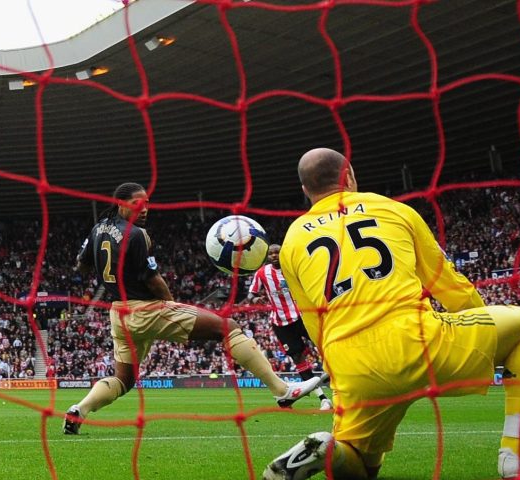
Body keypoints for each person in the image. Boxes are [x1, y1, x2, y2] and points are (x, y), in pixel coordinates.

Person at [263, 148, 520, 480]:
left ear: (305, 190)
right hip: (418, 340)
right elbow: (448, 285)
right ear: (349, 176)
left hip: (352, 364)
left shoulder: (291, 242)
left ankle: (331, 450)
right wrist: (485, 335)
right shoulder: (394, 210)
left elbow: (314, 323)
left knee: (361, 464)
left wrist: (340, 373)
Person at [64, 182, 328, 435]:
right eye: (137, 204)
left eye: (147, 204)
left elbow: (82, 265)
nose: (144, 209)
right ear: (122, 204)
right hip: (146, 309)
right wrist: (170, 304)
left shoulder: (98, 229)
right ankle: (281, 391)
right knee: (228, 327)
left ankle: (80, 409)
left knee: (123, 380)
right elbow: (152, 278)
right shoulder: (137, 234)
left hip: (118, 314)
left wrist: (109, 275)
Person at [247, 243, 332, 411]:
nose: (273, 256)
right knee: (298, 358)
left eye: (276, 253)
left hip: (302, 316)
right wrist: (255, 300)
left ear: (282, 253)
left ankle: (337, 380)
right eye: (270, 254)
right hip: (281, 323)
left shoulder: (292, 268)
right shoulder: (262, 273)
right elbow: (251, 294)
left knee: (325, 346)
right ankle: (323, 398)